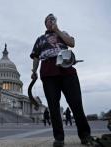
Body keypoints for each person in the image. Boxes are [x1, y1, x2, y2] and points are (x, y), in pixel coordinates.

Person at [30, 13, 92, 146]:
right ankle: (59, 137)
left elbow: (72, 43)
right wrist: (34, 71)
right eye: (48, 20)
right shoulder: (40, 39)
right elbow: (35, 56)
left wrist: (57, 30)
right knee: (53, 106)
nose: (51, 21)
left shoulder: (62, 33)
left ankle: (85, 135)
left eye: (53, 19)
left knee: (76, 103)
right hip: (48, 70)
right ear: (45, 23)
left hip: (66, 68)